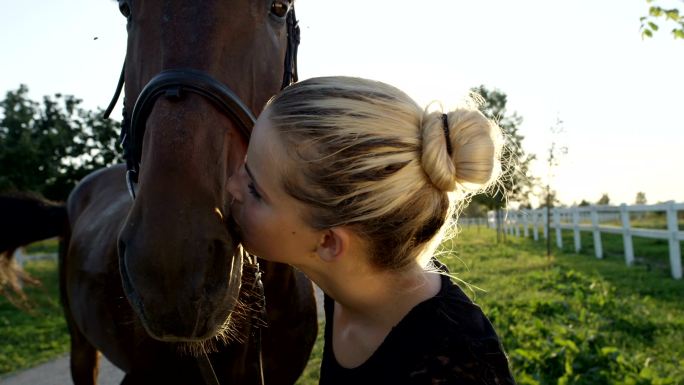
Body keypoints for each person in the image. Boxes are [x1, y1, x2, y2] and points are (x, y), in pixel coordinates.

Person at [228, 76, 516, 384]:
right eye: (245, 165)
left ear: (328, 243)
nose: (232, 186)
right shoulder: (349, 282)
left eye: (255, 190)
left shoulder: (455, 365)